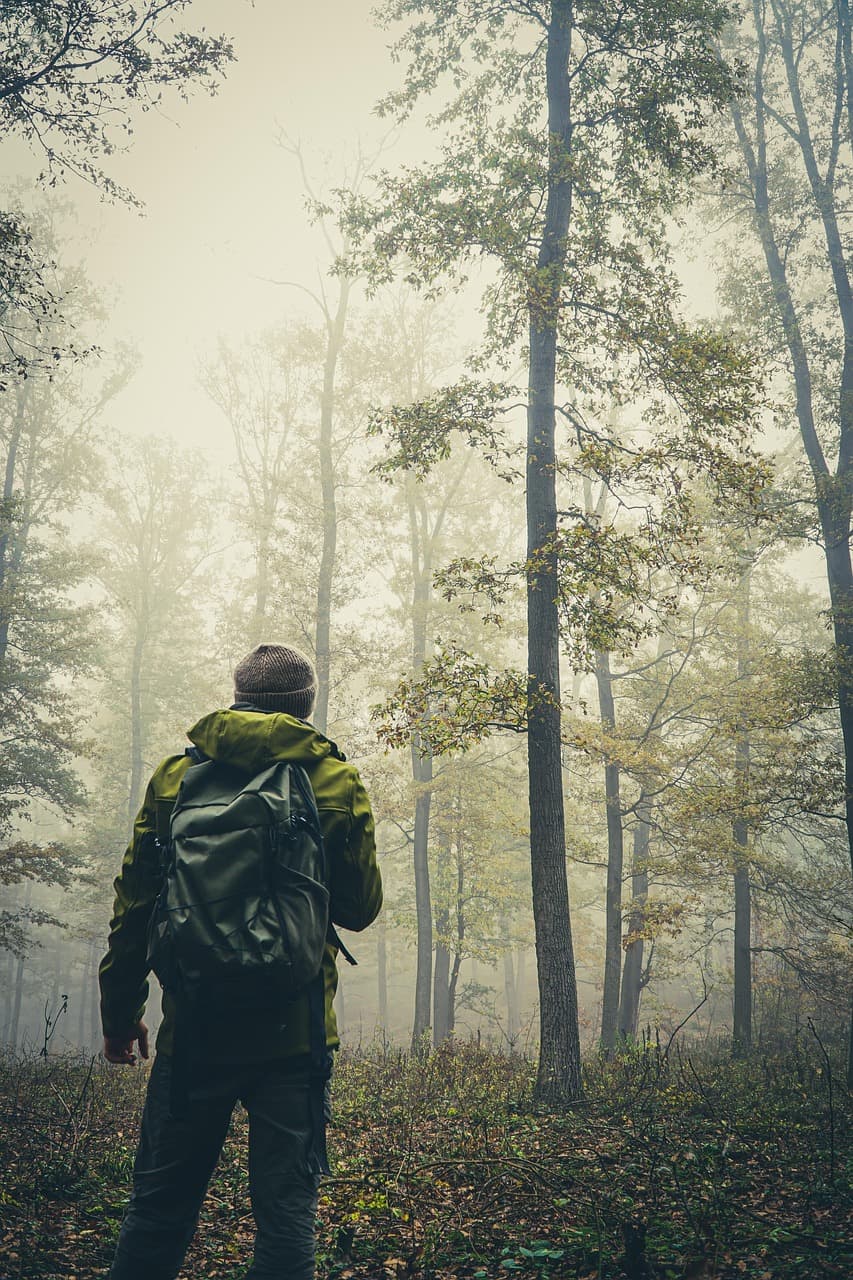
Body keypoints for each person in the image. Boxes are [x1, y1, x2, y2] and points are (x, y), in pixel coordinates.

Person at [99, 643, 382, 1280]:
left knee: (158, 1211)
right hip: (296, 1035)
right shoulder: (332, 778)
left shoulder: (175, 779)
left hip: (194, 1035)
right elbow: (361, 908)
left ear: (237, 695)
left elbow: (135, 910)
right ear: (305, 705)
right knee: (286, 1215)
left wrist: (120, 1015)